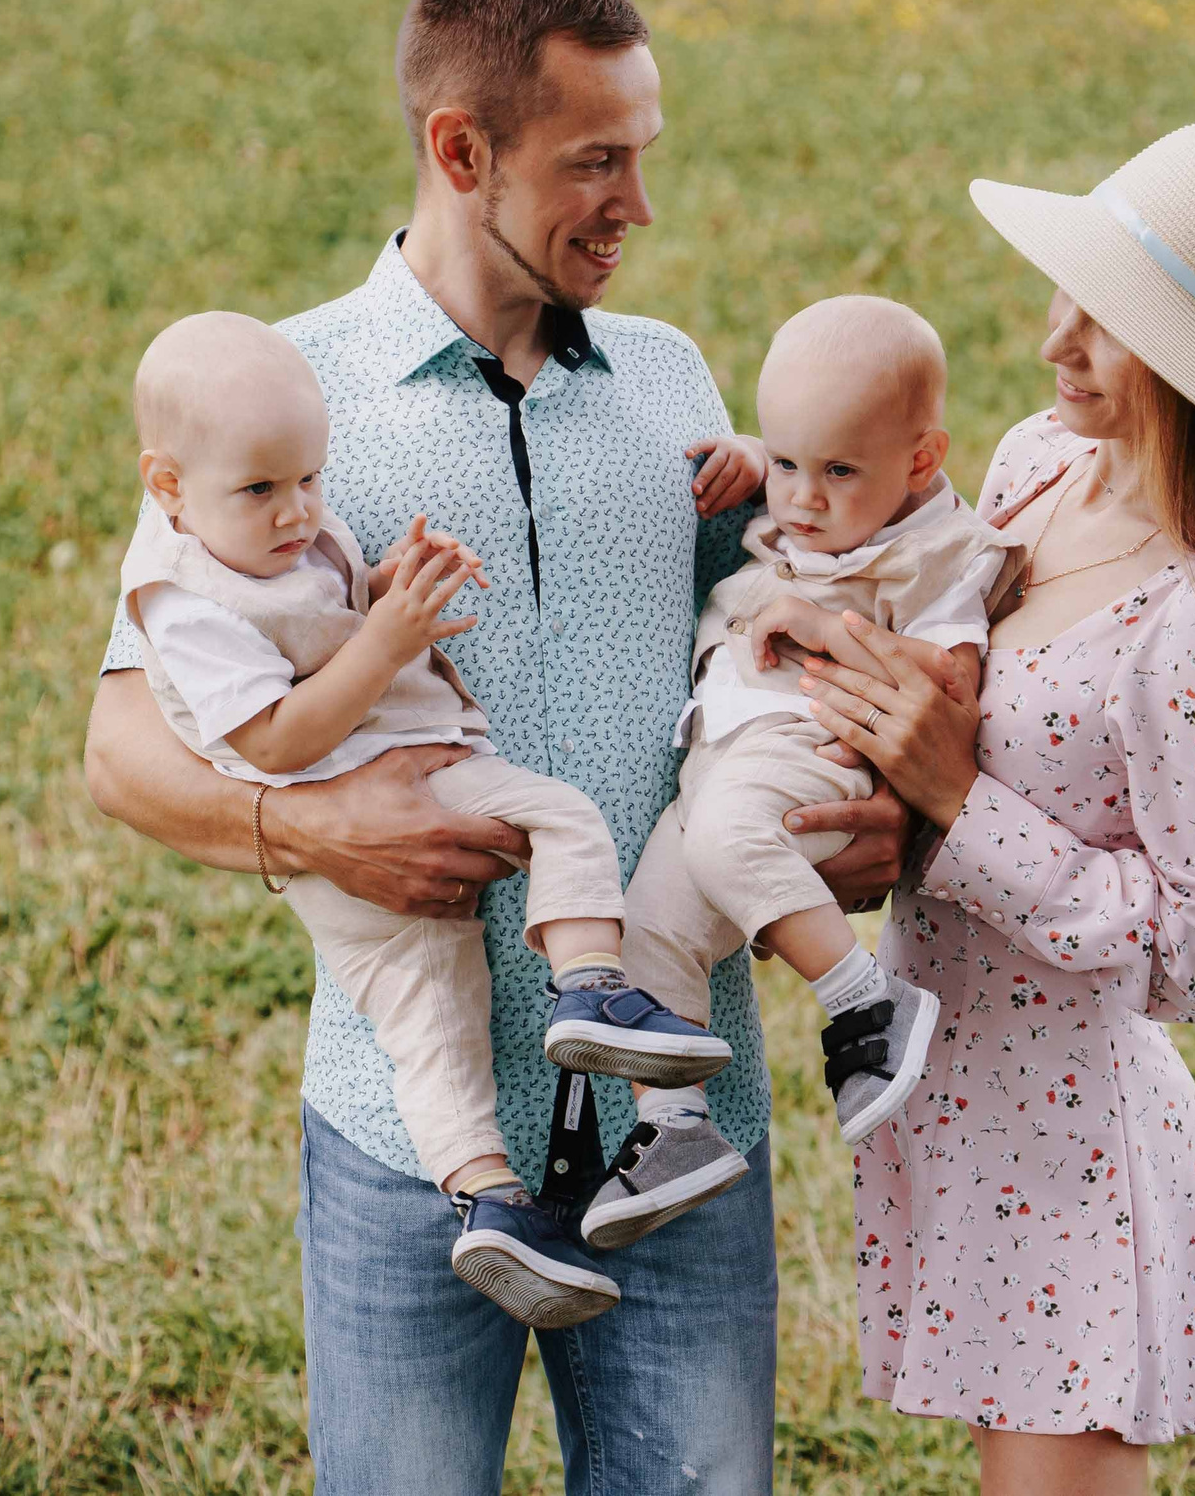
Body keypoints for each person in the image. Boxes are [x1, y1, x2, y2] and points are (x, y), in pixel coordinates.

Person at [84, 0, 915, 1494]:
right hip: (410, 1137)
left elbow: (784, 659)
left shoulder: (677, 384)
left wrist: (873, 823)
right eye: (595, 163)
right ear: (461, 152)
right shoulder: (278, 403)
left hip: (685, 1123)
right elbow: (121, 747)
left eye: (641, 158)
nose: (638, 206)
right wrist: (306, 825)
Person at [787, 124, 1195, 1495]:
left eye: (1109, 319)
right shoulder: (1038, 463)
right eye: (1067, 292)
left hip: (1074, 1153)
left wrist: (955, 799)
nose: (1057, 340)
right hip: (954, 1106)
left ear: (1191, 353)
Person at [111, 310, 732, 1328]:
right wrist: (386, 639)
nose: (297, 512)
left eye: (311, 481)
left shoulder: (285, 525)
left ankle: (537, 1103)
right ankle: (511, 1139)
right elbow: (273, 737)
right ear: (167, 486)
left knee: (474, 955)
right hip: (362, 816)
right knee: (441, 997)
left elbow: (328, 604)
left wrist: (381, 582)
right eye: (262, 491)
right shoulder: (182, 592)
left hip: (430, 770)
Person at [593, 297, 1026, 1250]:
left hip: (812, 758)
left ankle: (865, 1004)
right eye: (788, 465)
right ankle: (674, 1125)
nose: (803, 500)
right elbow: (793, 470)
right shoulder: (807, 506)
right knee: (648, 928)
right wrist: (758, 461)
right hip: (722, 763)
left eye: (836, 471)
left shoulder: (936, 552)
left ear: (920, 460)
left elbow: (954, 684)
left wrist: (835, 632)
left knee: (724, 837)